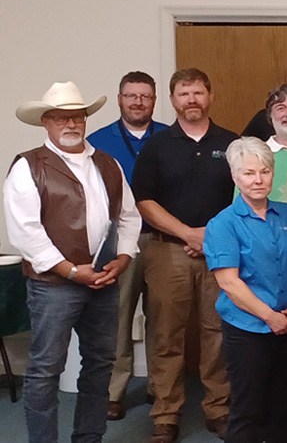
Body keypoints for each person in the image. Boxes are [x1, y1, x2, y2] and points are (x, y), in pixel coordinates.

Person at [8, 81, 141, 443]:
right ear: (46, 123)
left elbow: (128, 217)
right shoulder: (28, 166)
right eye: (62, 118)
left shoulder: (107, 163)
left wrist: (124, 258)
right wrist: (70, 271)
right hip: (54, 287)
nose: (71, 124)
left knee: (100, 366)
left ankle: (89, 438)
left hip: (103, 282)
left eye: (78, 116)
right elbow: (25, 232)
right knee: (46, 370)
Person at [131, 68, 240, 443]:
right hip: (168, 251)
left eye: (198, 93)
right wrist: (188, 233)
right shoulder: (157, 145)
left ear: (210, 96)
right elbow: (143, 200)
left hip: (221, 253)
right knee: (166, 335)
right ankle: (165, 414)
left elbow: (245, 195)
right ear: (173, 100)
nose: (191, 99)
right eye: (183, 94)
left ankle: (219, 409)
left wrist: (210, 236)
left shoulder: (232, 143)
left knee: (219, 333)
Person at [203, 137, 287, 443]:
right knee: (248, 409)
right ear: (235, 177)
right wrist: (270, 317)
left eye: (264, 171)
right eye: (249, 173)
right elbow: (229, 283)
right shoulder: (222, 223)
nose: (258, 179)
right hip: (248, 328)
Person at [86, 71, 166, 421]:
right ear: (120, 99)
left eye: (144, 96)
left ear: (154, 100)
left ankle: (160, 387)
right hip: (118, 243)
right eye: (131, 96)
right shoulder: (97, 141)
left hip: (164, 239)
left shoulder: (169, 137)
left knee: (163, 319)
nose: (137, 102)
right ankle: (113, 392)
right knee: (116, 318)